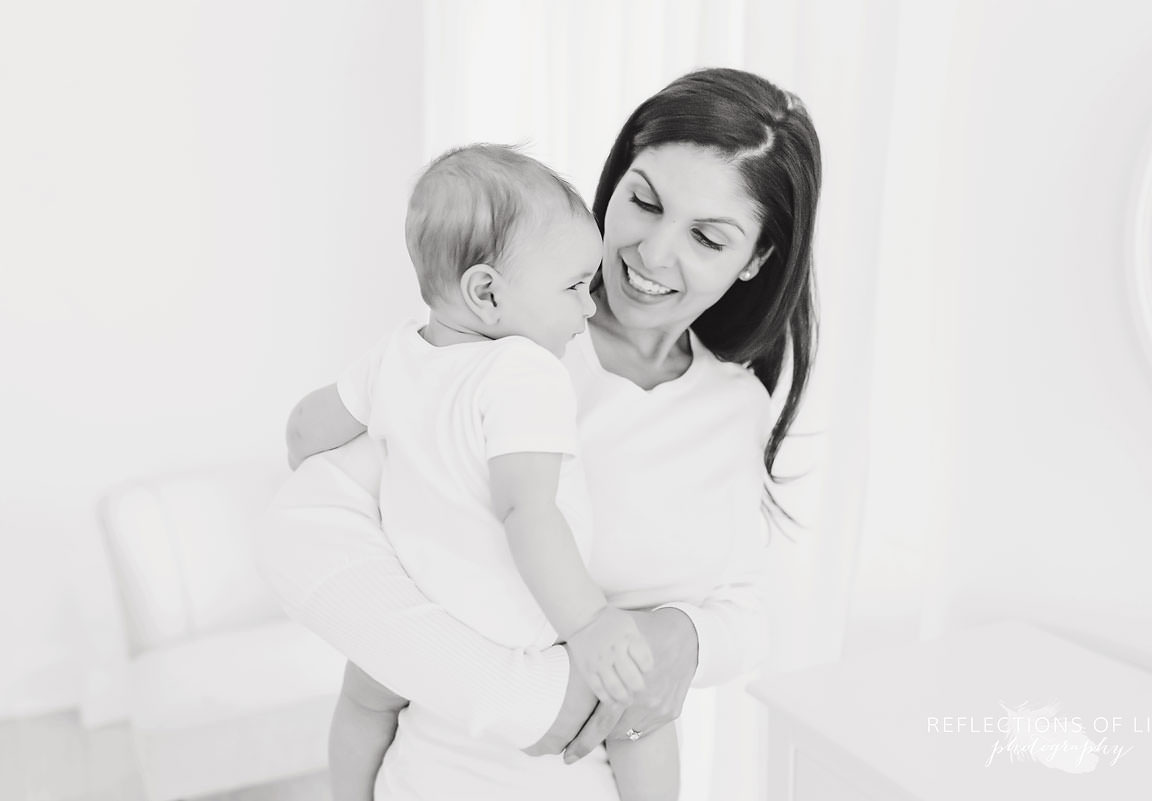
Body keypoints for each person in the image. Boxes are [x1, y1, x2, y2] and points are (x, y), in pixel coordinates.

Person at [259, 66, 821, 801]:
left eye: (707, 238)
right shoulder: (500, 351)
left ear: (756, 260)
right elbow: (326, 533)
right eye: (644, 201)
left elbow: (753, 611)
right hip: (445, 764)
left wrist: (683, 641)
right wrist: (523, 686)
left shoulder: (736, 404)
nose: (652, 254)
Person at [290, 143, 676, 801]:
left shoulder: (394, 357)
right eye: (574, 287)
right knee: (642, 709)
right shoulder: (524, 369)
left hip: (420, 611)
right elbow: (527, 511)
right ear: (488, 293)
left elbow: (304, 431)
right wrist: (588, 623)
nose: (588, 308)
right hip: (516, 619)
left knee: (363, 697)